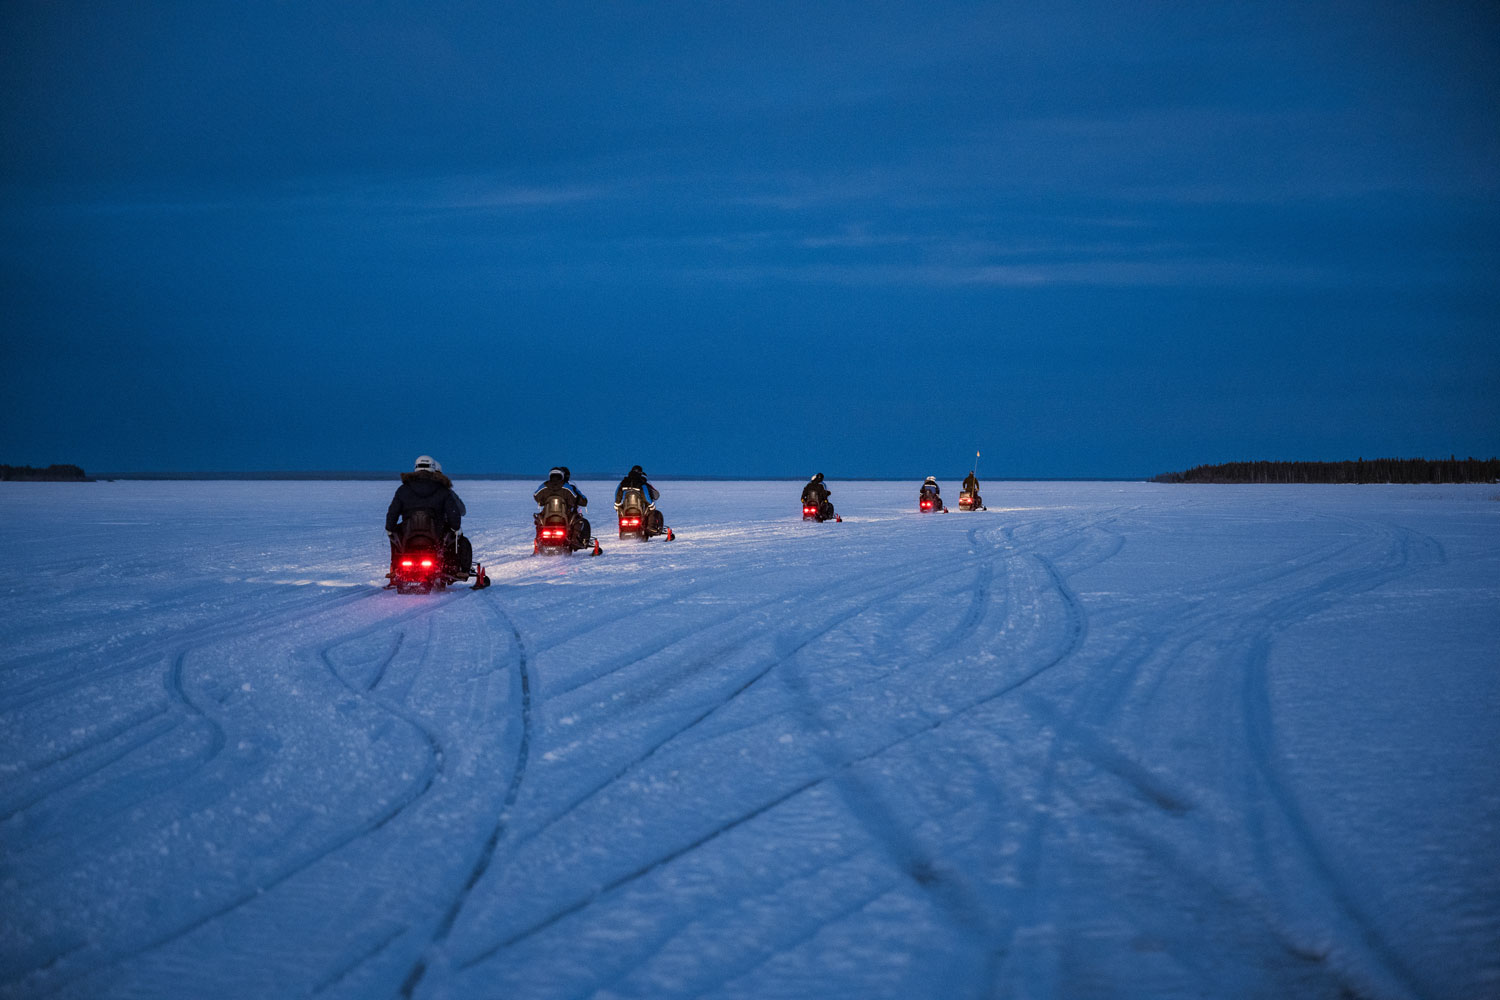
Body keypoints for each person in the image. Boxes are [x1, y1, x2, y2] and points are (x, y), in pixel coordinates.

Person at [386, 455, 470, 572]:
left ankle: (395, 567)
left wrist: (389, 527)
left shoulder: (403, 489)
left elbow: (393, 511)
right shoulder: (443, 490)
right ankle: (452, 568)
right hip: (436, 533)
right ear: (433, 468)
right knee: (455, 537)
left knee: (394, 536)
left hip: (409, 533)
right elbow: (454, 512)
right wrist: (455, 527)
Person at [534, 466, 592, 549]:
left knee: (538, 521)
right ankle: (575, 541)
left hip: (547, 516)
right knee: (580, 521)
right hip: (565, 516)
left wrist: (543, 501)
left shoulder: (544, 486)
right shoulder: (568, 487)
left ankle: (538, 541)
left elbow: (536, 496)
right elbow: (575, 498)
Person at [615, 464, 665, 534]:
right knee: (652, 511)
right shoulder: (641, 483)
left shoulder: (623, 482)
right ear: (640, 473)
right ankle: (651, 527)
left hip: (626, 508)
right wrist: (651, 505)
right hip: (640, 507)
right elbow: (645, 495)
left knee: (619, 510)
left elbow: (618, 493)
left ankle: (622, 528)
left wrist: (617, 503)